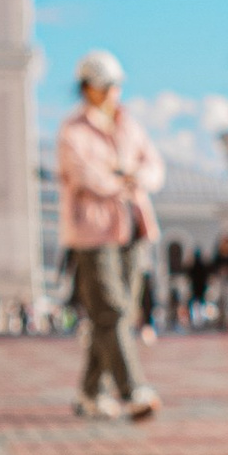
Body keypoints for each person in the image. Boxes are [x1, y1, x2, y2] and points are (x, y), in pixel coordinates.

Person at [55, 52, 165, 424]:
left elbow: (153, 166)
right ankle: (133, 390)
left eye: (115, 86)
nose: (112, 93)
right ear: (88, 87)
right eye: (105, 86)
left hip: (132, 228)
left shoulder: (128, 124)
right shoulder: (73, 131)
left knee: (117, 314)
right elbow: (84, 175)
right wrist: (123, 179)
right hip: (93, 233)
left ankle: (91, 392)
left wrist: (131, 176)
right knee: (111, 310)